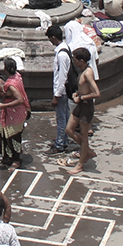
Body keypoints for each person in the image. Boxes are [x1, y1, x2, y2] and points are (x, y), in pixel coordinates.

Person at [64, 48, 101, 175]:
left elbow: (96, 93)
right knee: (69, 129)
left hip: (86, 106)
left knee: (84, 136)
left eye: (75, 59)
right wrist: (77, 93)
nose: (73, 61)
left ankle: (80, 164)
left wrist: (81, 98)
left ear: (82, 60)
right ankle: (87, 151)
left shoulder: (88, 73)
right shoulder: (82, 70)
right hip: (80, 105)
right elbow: (84, 88)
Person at [0, 56, 30, 169]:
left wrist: (4, 105)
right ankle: (7, 157)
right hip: (16, 112)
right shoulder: (18, 76)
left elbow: (19, 99)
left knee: (12, 136)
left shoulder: (11, 84)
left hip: (14, 113)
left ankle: (16, 160)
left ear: (5, 69)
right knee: (6, 134)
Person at [47, 25, 73, 154]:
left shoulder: (62, 54)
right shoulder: (64, 49)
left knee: (61, 119)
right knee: (65, 117)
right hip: (62, 91)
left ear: (53, 37)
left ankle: (60, 144)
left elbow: (62, 76)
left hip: (61, 92)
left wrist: (57, 95)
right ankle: (64, 140)